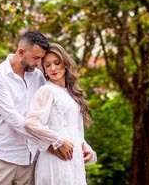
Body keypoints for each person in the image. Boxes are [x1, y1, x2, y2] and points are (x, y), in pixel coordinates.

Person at [0, 31, 72, 185]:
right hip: (2, 158)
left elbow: (53, 112)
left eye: (40, 59)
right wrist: (53, 142)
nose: (38, 64)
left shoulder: (37, 76)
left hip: (30, 159)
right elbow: (14, 119)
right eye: (36, 58)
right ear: (21, 52)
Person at [24, 43, 96, 185]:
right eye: (48, 65)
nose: (53, 68)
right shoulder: (47, 90)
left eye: (57, 63)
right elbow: (30, 123)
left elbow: (74, 128)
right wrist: (58, 141)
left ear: (65, 63)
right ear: (43, 69)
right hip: (55, 159)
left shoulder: (70, 94)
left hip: (73, 159)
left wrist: (86, 147)